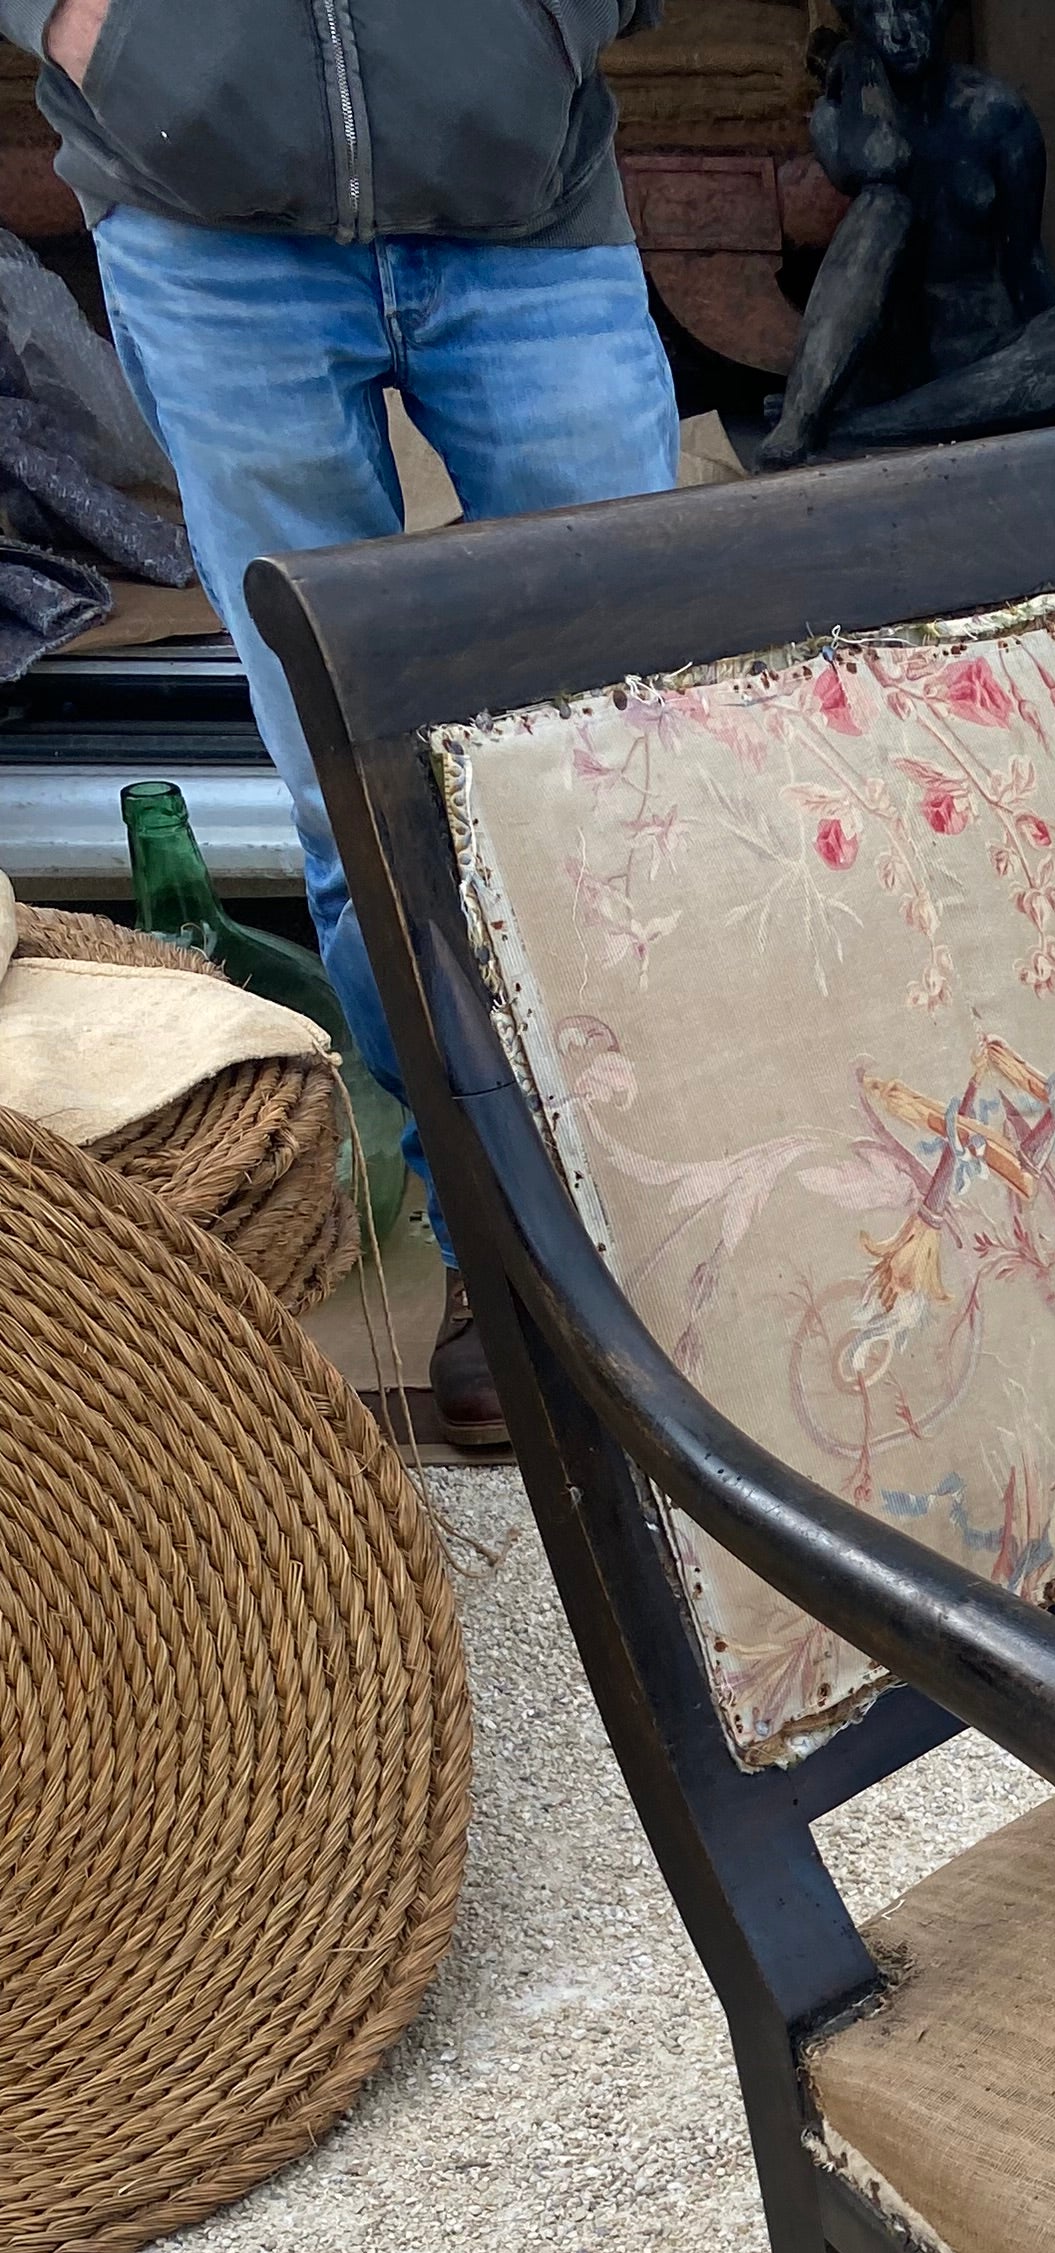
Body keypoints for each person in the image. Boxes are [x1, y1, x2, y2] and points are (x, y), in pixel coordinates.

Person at [0, 0, 684, 1446]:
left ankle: (662, 1236)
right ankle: (493, 1259)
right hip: (209, 238)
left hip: (526, 217)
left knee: (616, 763)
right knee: (351, 793)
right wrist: (91, 28)